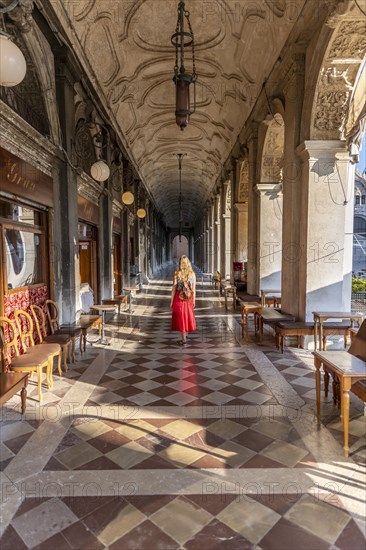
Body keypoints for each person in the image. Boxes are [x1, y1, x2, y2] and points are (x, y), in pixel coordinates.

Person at [170, 255, 196, 346]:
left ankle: (184, 339)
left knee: (181, 318)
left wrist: (171, 301)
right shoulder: (192, 274)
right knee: (187, 317)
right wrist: (194, 301)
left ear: (180, 263)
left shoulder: (177, 274)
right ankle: (186, 334)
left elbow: (174, 288)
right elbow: (193, 289)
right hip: (189, 298)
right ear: (188, 263)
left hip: (179, 298)